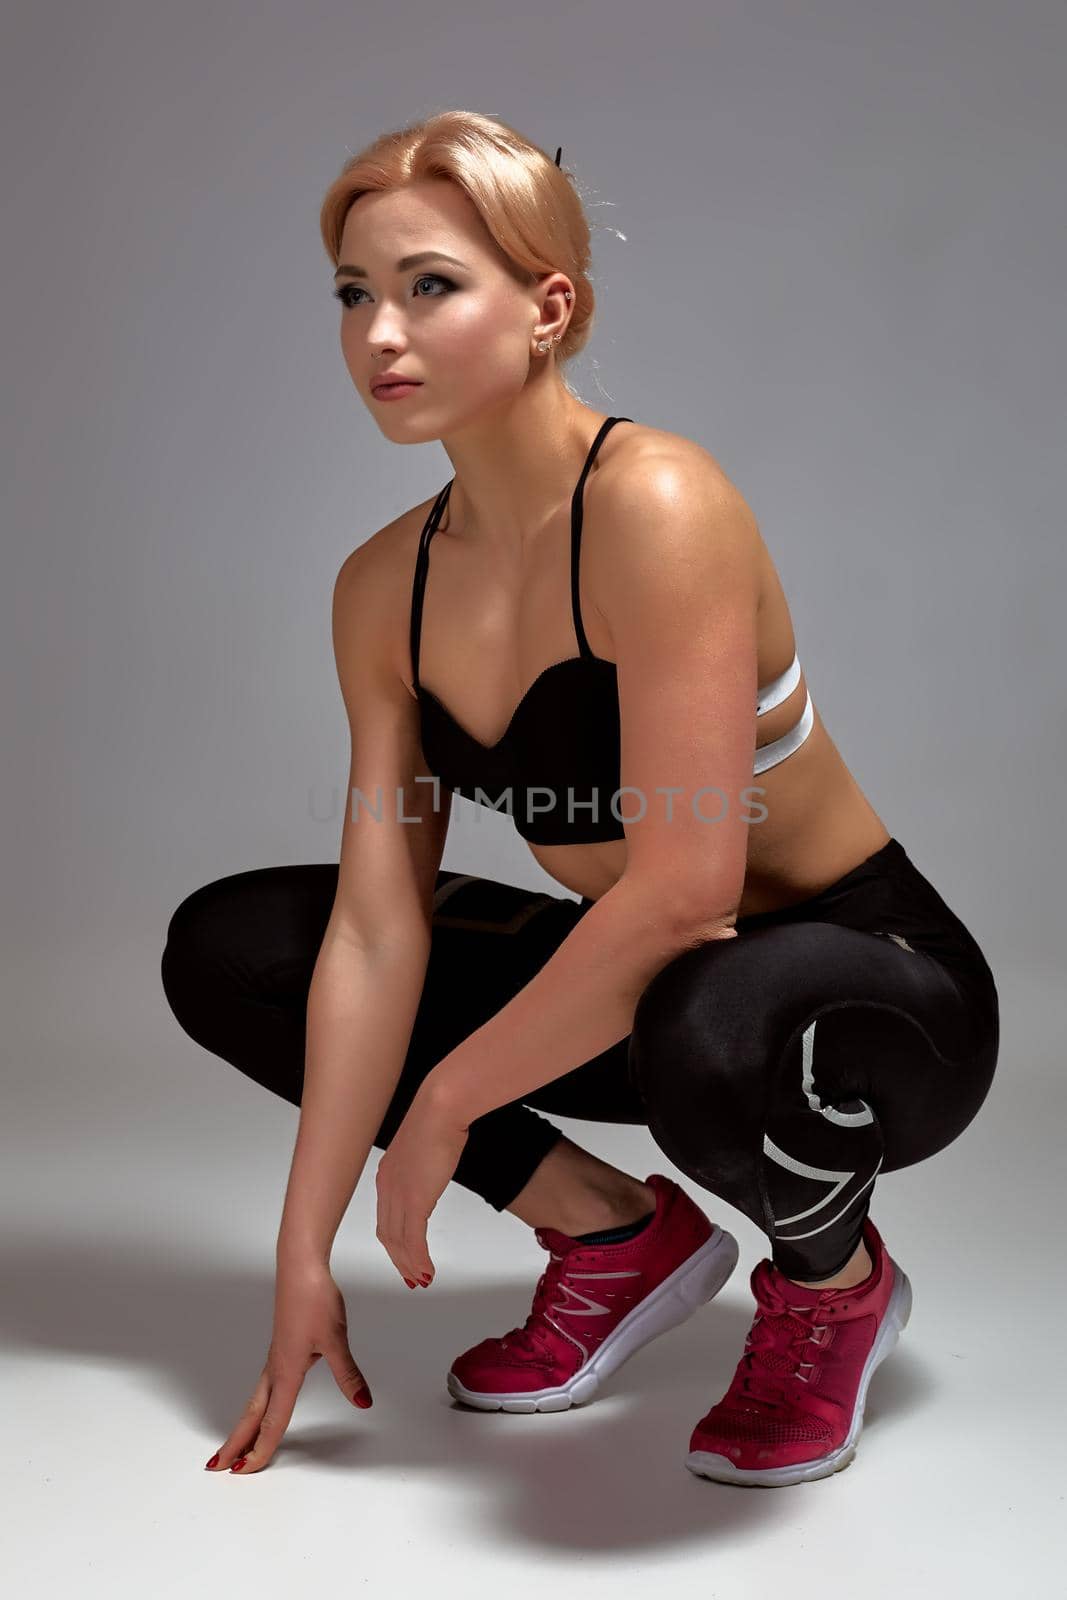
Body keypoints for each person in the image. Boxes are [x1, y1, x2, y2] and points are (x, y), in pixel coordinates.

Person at [161, 110, 999, 1489]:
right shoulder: (385, 588)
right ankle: (617, 1239)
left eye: (432, 286)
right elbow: (379, 929)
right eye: (354, 294)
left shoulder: (659, 503)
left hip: (870, 997)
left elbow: (685, 893)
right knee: (243, 945)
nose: (381, 335)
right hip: (646, 985)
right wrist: (301, 1253)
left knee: (707, 999)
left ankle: (832, 1287)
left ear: (549, 305)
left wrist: (441, 1114)